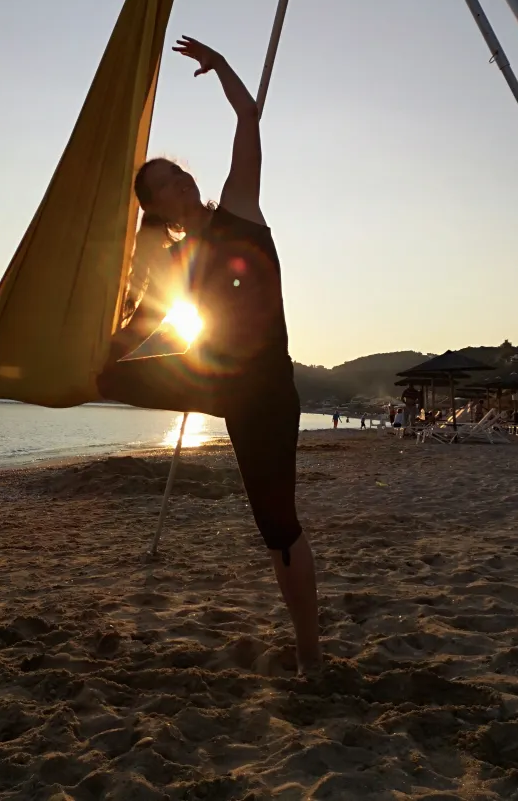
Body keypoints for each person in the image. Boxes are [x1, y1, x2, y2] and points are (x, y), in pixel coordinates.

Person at [98, 36, 321, 674]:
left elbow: (248, 120)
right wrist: (94, 356)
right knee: (107, 375)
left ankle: (310, 658)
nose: (180, 180)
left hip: (268, 395)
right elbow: (140, 324)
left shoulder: (241, 214)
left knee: (278, 528)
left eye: (176, 171)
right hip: (216, 383)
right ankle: (59, 377)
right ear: (159, 209)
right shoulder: (172, 263)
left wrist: (221, 66)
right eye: (164, 184)